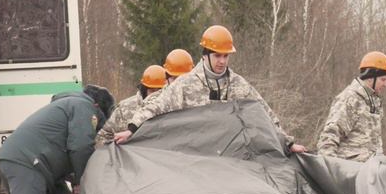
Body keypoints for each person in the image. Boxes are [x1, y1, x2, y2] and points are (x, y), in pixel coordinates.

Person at [114, 25, 306, 154]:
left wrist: (287, 143)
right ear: (205, 55)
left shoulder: (239, 85)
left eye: (226, 56)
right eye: (217, 56)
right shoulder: (186, 85)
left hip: (230, 159)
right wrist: (132, 130)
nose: (222, 61)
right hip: (195, 159)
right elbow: (156, 107)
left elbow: (265, 113)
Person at [317, 51, 386, 162]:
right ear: (370, 77)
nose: (385, 84)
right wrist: (332, 170)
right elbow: (329, 138)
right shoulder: (350, 99)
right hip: (351, 171)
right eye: (383, 80)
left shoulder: (373, 101)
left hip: (371, 170)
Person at [96, 65, 167, 146]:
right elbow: (103, 136)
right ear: (144, 90)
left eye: (159, 91)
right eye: (152, 91)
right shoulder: (125, 108)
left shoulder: (171, 110)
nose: (155, 96)